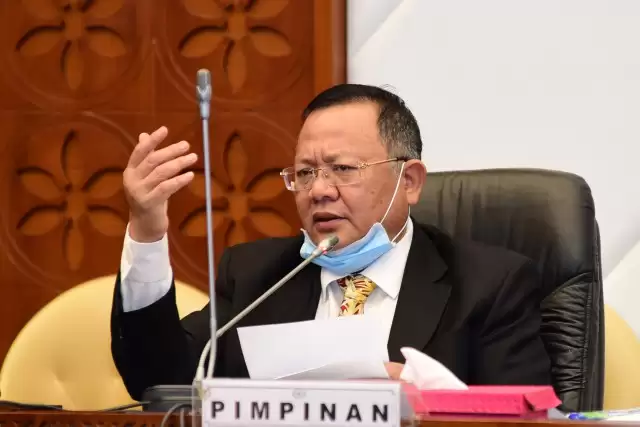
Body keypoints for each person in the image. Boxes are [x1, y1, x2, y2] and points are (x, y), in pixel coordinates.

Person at [111, 84, 551, 401]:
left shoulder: (489, 287)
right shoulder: (257, 277)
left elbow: (521, 419)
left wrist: (423, 400)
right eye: (305, 173)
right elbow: (158, 379)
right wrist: (147, 230)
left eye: (342, 169)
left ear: (410, 181)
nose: (319, 190)